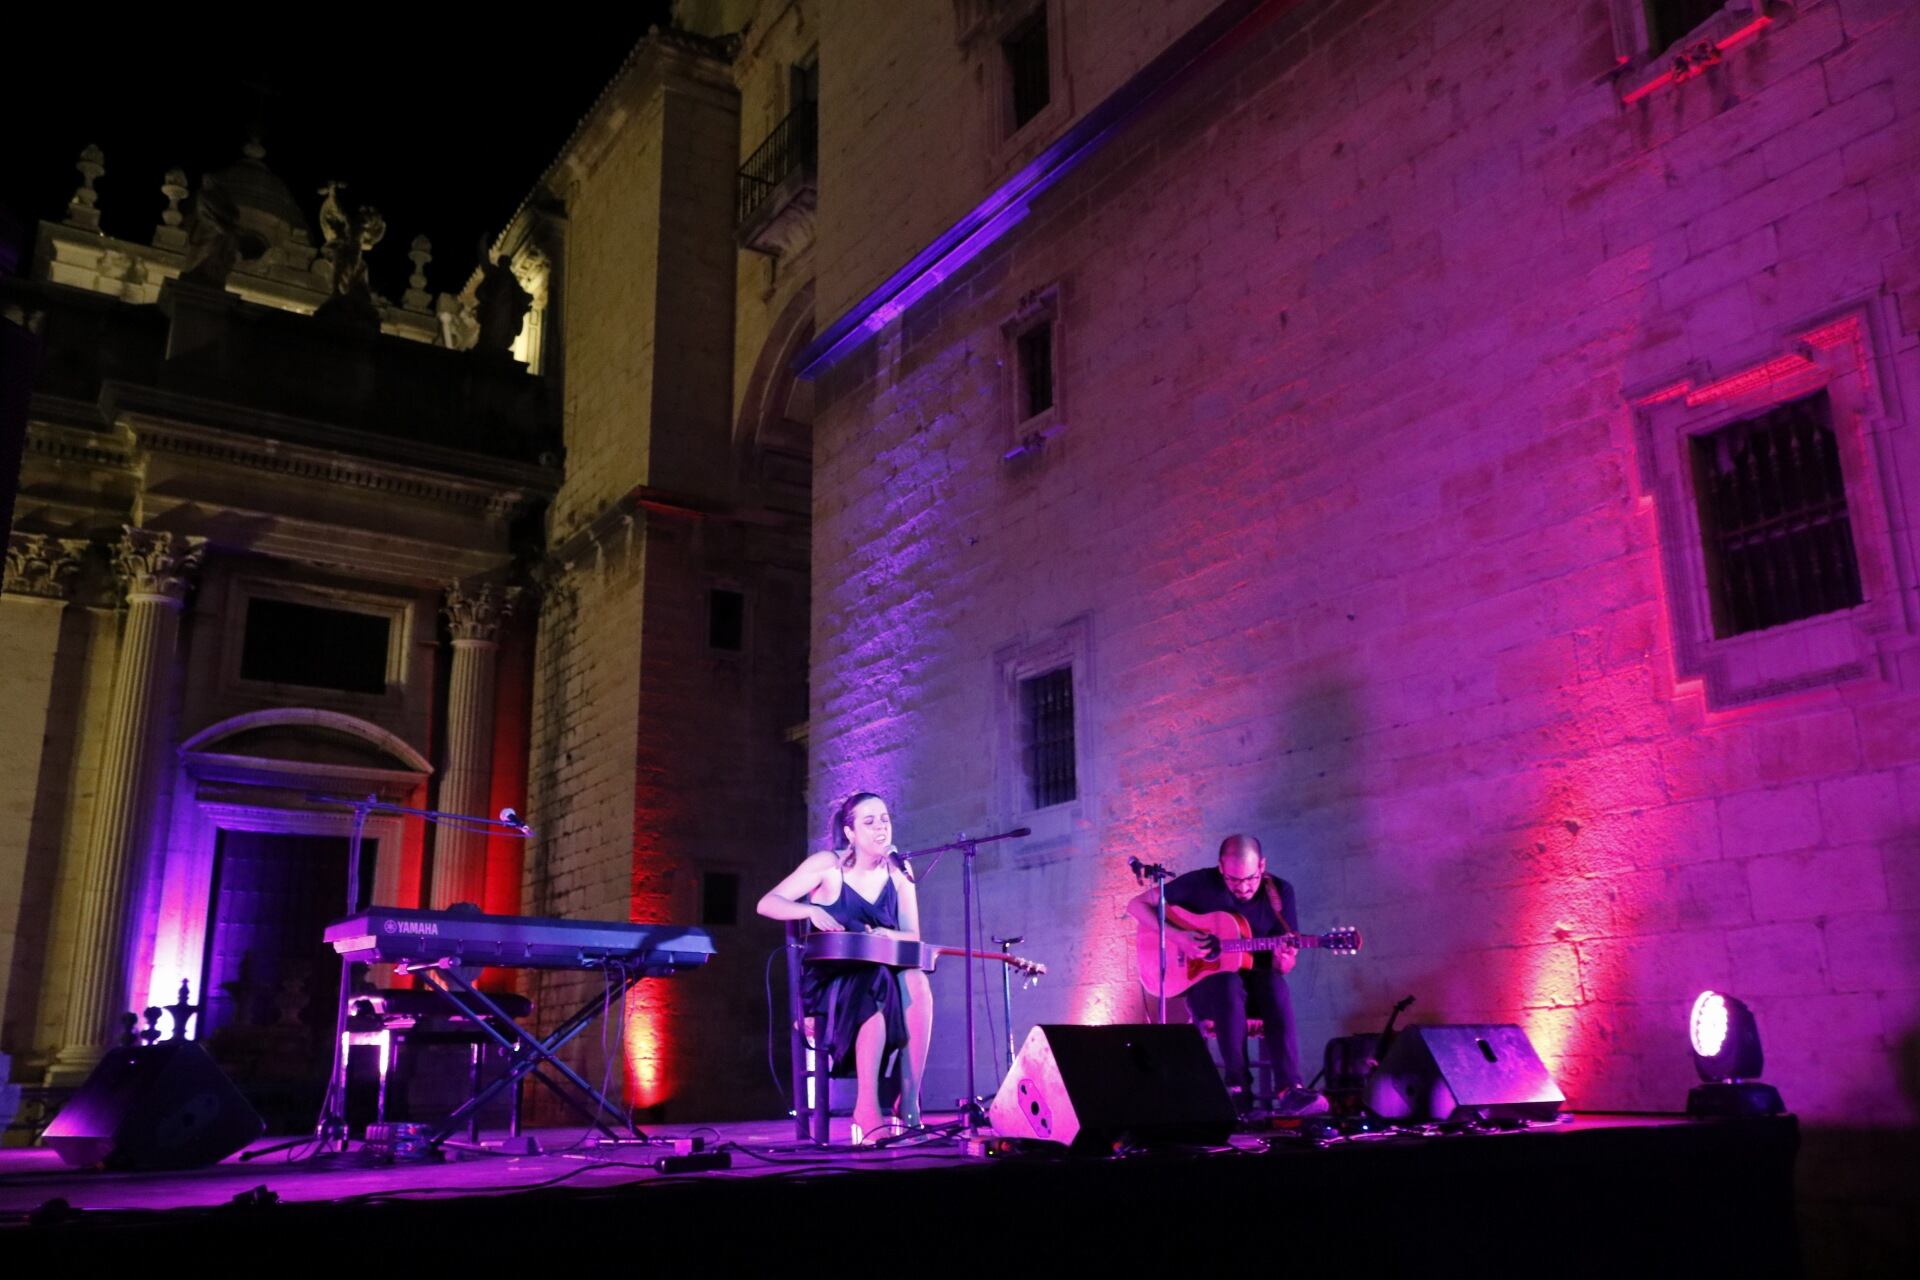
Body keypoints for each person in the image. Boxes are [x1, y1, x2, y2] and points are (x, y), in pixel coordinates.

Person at [757, 792, 934, 1143]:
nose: (880, 827)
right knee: (876, 979)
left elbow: (913, 936)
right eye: (869, 822)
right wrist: (808, 911)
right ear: (850, 832)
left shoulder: (899, 870)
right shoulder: (827, 865)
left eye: (884, 818)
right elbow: (767, 903)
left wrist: (888, 934)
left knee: (915, 981)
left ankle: (909, 1102)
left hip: (878, 972)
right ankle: (866, 1109)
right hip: (831, 982)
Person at [1126, 833, 1318, 1115]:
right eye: (1234, 880)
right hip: (1210, 993)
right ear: (1221, 868)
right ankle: (1238, 1088)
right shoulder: (1199, 884)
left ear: (1262, 866)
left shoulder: (1280, 893)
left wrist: (1285, 959)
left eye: (1250, 879)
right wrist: (1179, 937)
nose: (1242, 888)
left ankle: (1290, 1088)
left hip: (1256, 993)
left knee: (1275, 984)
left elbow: (1283, 967)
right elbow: (1135, 906)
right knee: (1227, 981)